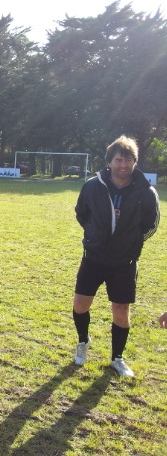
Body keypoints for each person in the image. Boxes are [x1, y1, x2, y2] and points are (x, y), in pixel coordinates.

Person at [72, 135, 160, 378]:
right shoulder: (92, 186)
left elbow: (150, 224)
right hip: (94, 257)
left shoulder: (146, 192)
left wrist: (129, 244)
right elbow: (82, 214)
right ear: (109, 162)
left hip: (124, 262)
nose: (123, 165)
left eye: (128, 160)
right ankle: (83, 341)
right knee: (80, 305)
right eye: (119, 160)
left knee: (121, 310)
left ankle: (117, 358)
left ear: (135, 162)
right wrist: (96, 236)